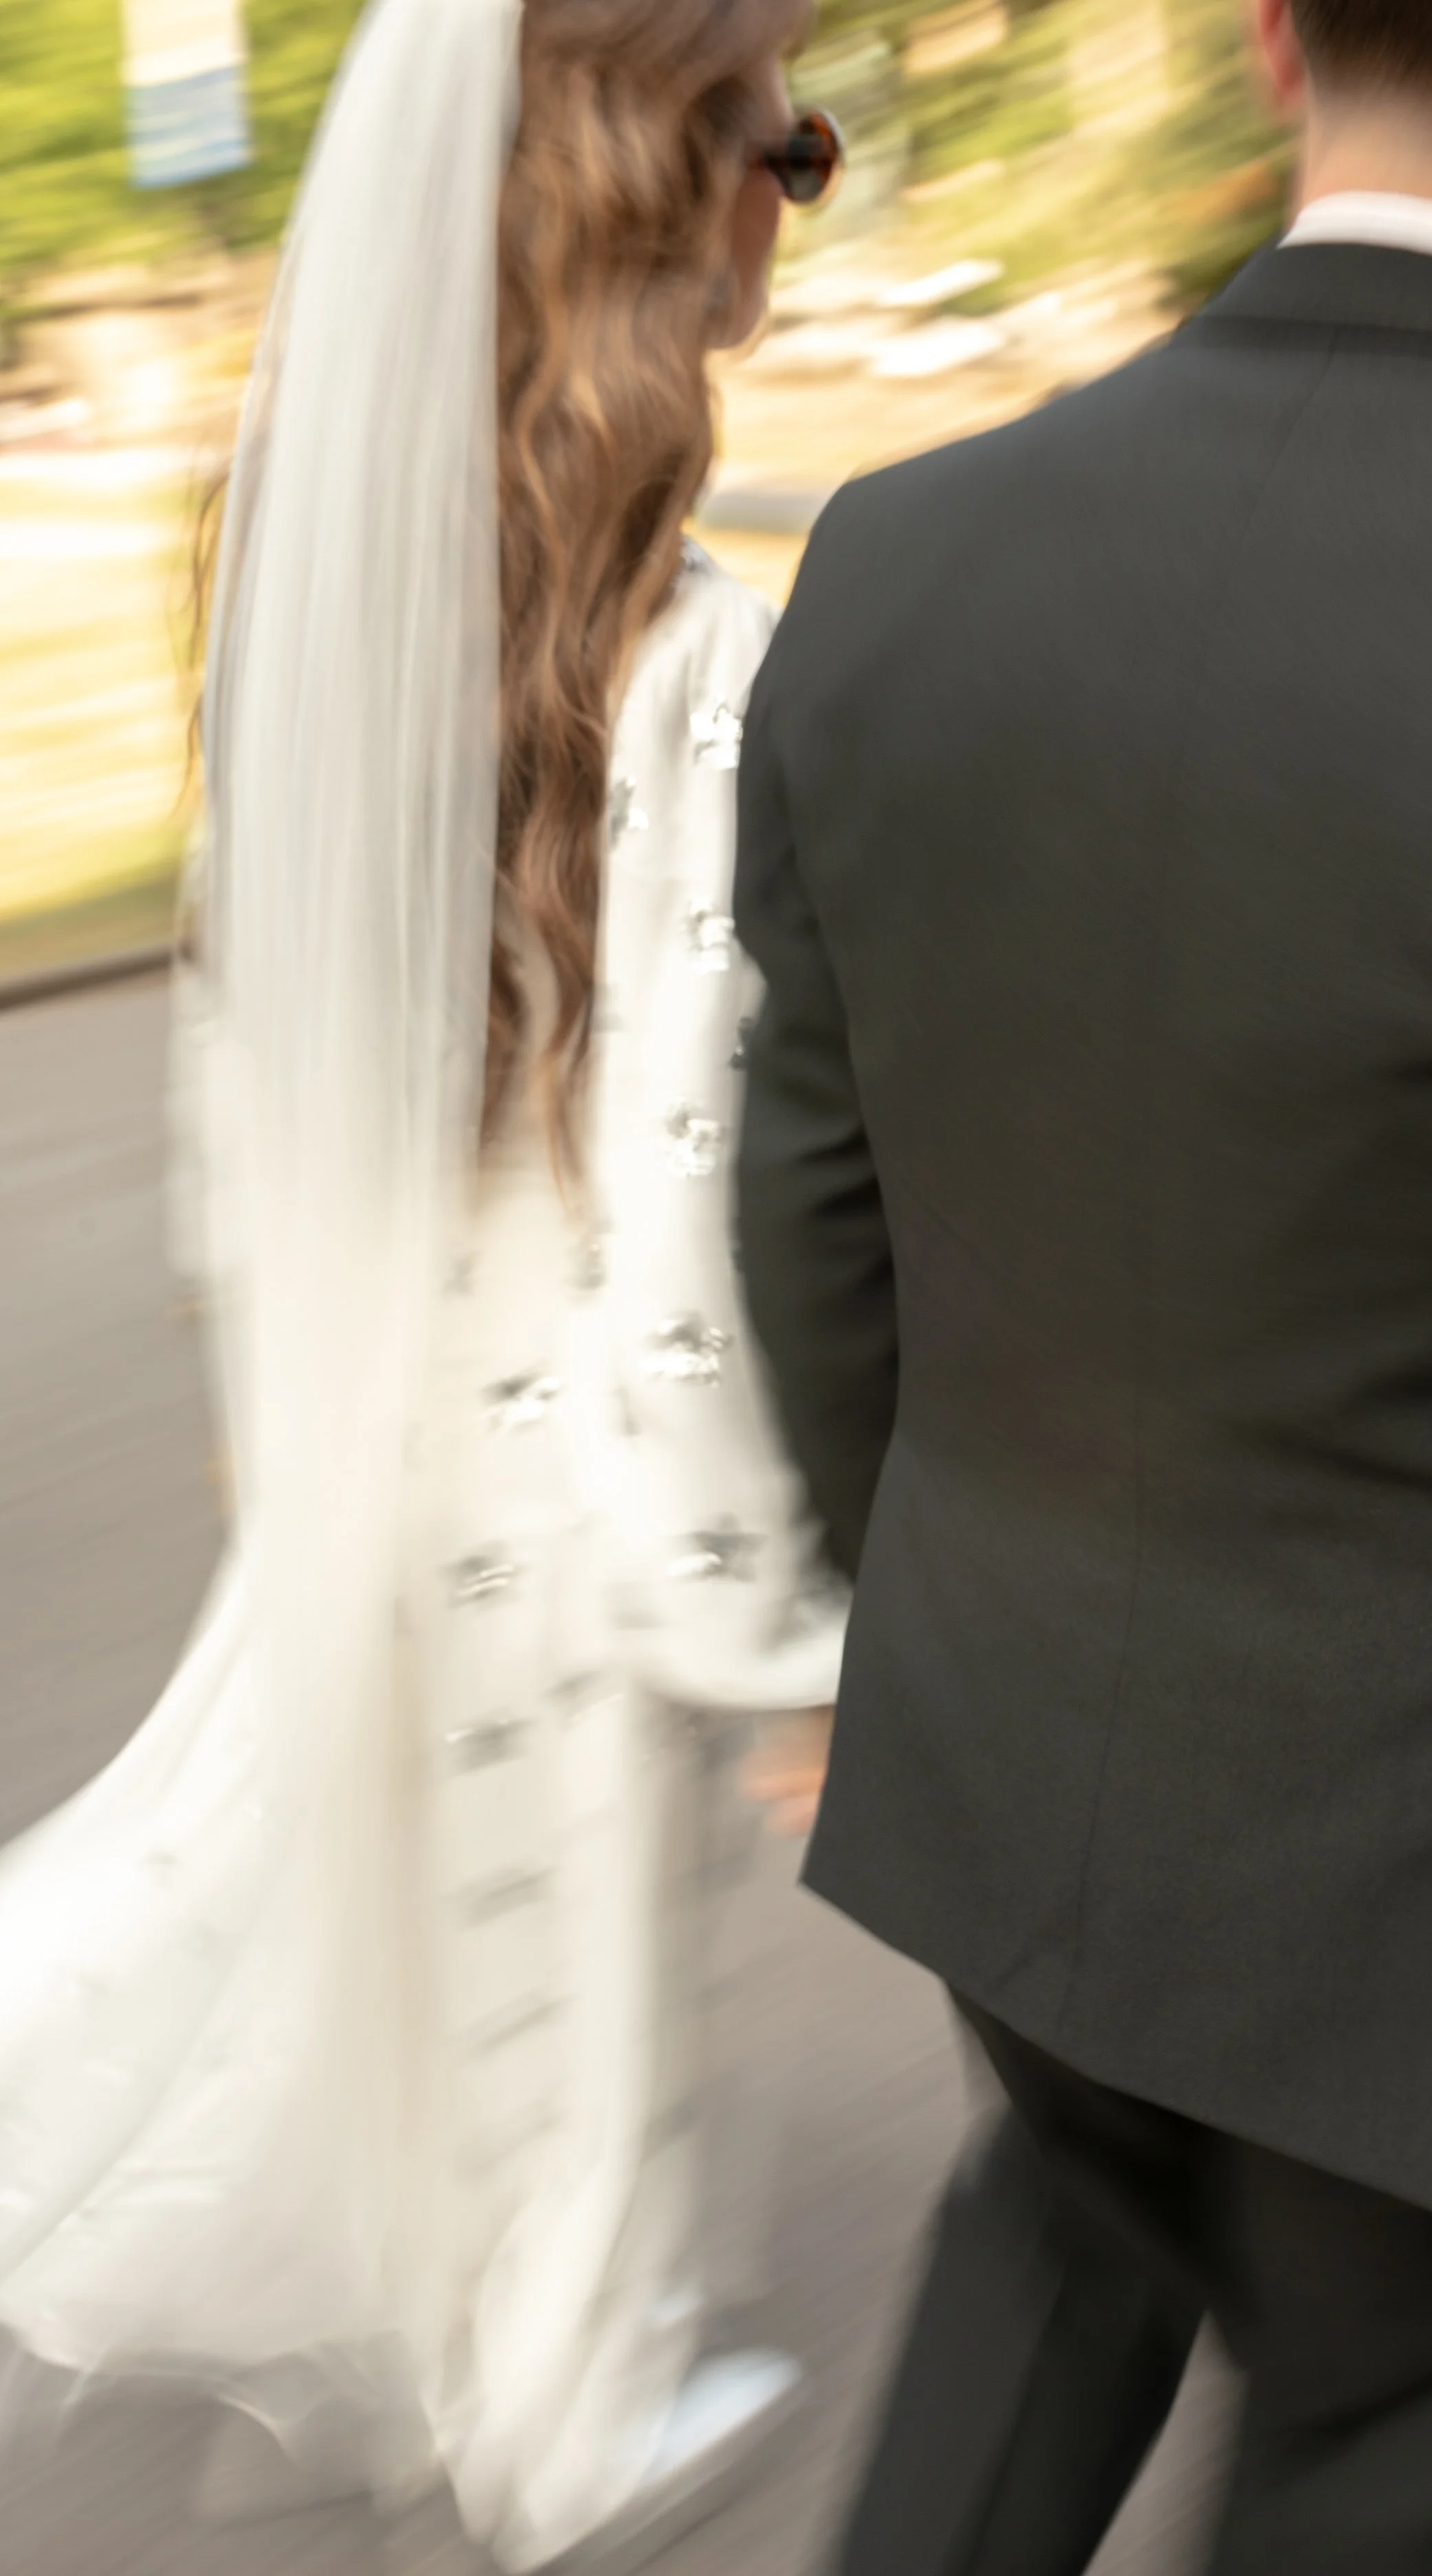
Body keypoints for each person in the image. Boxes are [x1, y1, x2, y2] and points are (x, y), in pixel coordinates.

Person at [733, 3, 1432, 2569]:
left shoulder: (898, 549)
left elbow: (812, 1211)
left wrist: (927, 1598)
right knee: (1372, 2433)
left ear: (1277, 46)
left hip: (1007, 1744)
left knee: (1066, 2228)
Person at [0, 2, 847, 2568]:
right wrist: (771, 1616)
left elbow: (229, 1049)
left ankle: (537, 2374)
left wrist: (275, 1371)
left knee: (363, 1892)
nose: (804, 194)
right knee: (576, 1961)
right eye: (788, 138)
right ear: (657, 189)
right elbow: (685, 1188)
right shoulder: (687, 646)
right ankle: (569, 2410)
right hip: (584, 1449)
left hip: (375, 1396)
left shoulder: (308, 572)